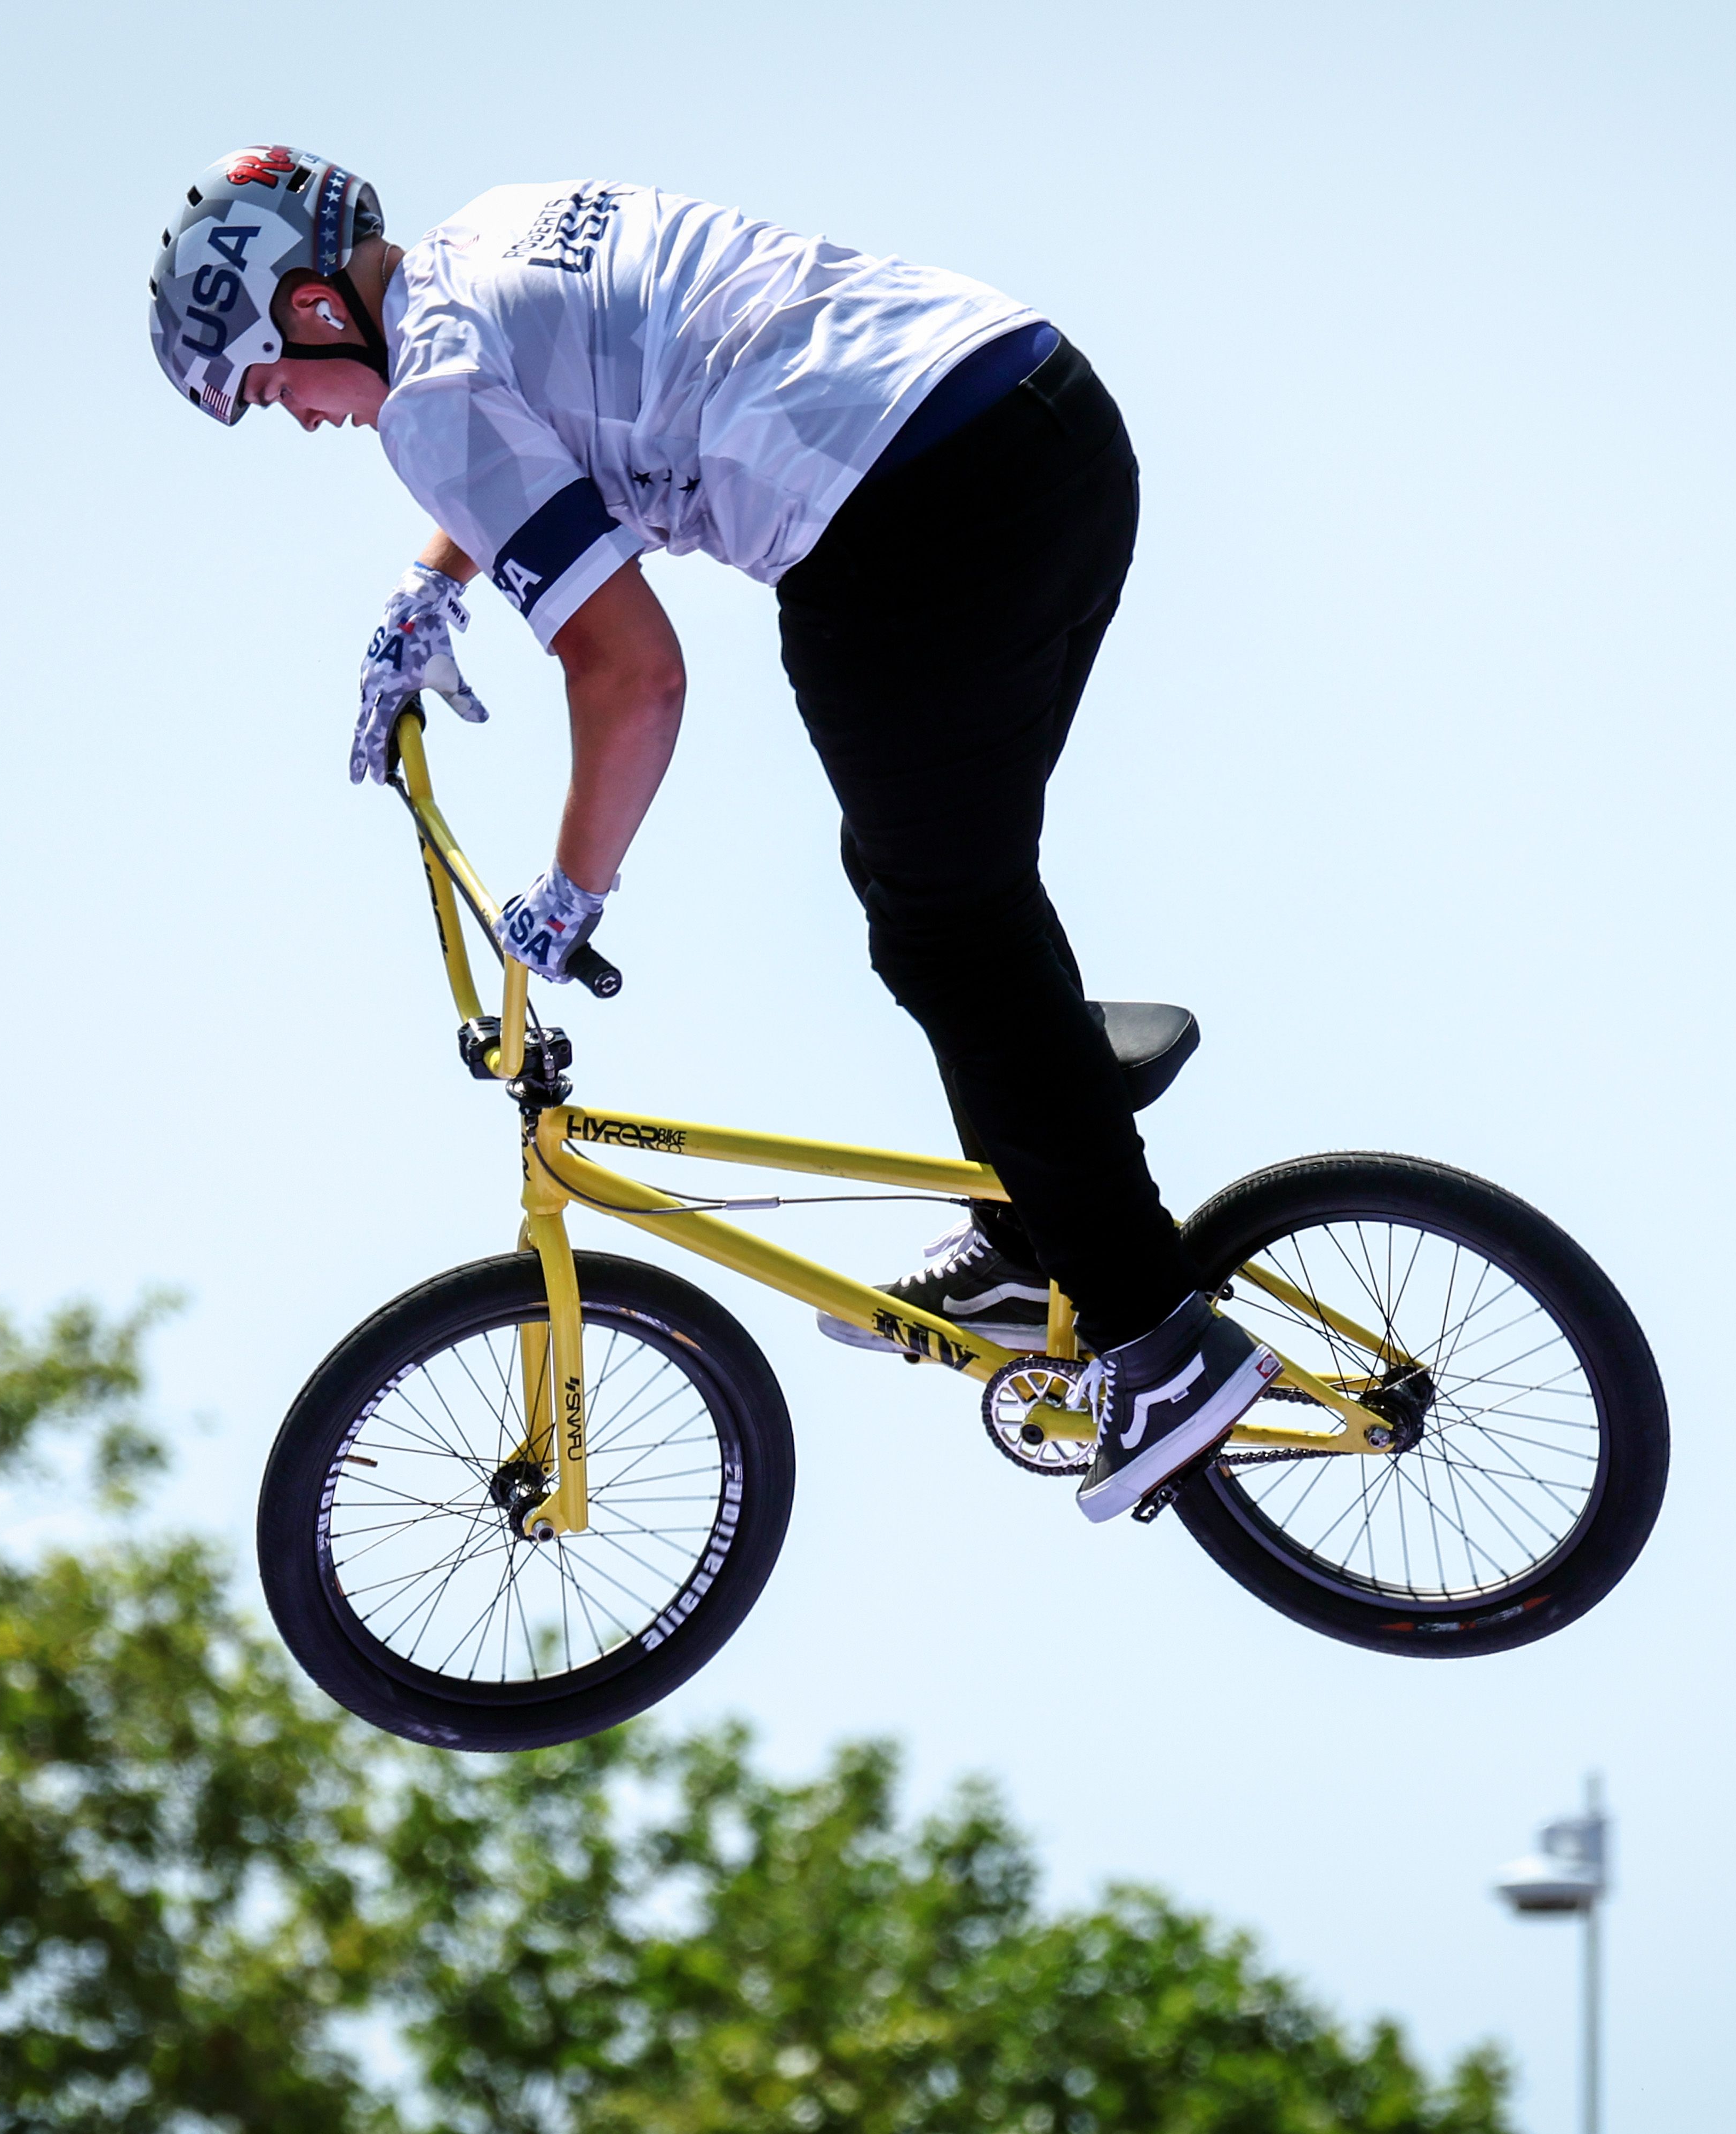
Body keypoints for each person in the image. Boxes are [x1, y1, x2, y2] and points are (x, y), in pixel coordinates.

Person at [148, 147, 1276, 1521]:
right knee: (950, 889)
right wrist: (426, 580)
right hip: (1041, 418)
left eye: (270, 387)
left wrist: (570, 891)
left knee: (943, 921)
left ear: (312, 311)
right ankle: (1035, 1215)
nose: (301, 419)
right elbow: (518, 420)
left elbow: (633, 674)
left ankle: (1160, 1333)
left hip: (910, 513)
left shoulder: (424, 405)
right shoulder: (486, 235)